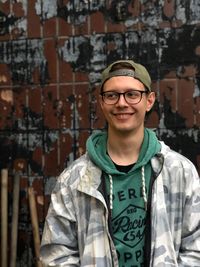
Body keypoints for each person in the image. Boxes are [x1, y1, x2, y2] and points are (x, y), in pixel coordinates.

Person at [40, 59, 200, 267]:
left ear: (149, 100)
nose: (122, 103)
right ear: (101, 102)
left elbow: (195, 248)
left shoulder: (180, 172)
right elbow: (56, 255)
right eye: (112, 95)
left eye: (132, 94)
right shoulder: (75, 179)